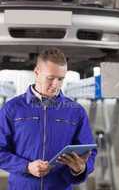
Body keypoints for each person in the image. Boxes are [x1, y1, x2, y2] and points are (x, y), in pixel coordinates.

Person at [0, 48, 97, 190]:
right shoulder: (12, 108)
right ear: (37, 72)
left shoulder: (76, 111)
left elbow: (89, 151)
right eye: (50, 78)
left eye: (61, 79)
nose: (56, 84)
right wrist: (26, 167)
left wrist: (81, 168)